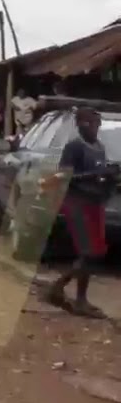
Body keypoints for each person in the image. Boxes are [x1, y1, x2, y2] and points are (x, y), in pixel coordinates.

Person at [42, 107, 116, 318]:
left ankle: (62, 290)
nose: (95, 128)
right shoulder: (74, 147)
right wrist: (93, 175)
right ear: (80, 124)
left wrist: (109, 177)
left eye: (97, 124)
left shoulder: (99, 147)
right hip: (77, 203)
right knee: (89, 252)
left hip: (95, 203)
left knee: (95, 252)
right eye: (91, 123)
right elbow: (63, 177)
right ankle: (74, 297)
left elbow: (101, 175)